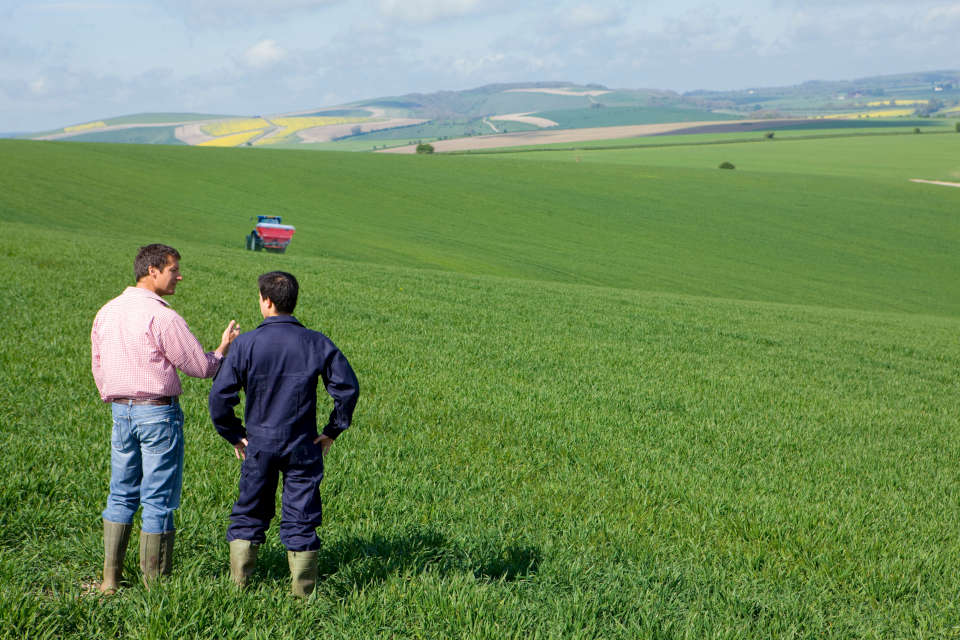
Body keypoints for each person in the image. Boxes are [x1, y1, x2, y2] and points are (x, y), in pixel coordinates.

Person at [91, 243, 240, 594]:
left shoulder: (107, 311)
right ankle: (155, 588)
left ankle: (109, 581)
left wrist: (117, 398)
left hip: (120, 411)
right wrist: (222, 349)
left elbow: (98, 365)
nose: (179, 275)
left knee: (121, 494)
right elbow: (199, 367)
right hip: (157, 413)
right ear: (153, 271)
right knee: (158, 498)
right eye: (174, 269)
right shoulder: (162, 316)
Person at [209, 271, 359, 597]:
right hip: (303, 443)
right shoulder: (317, 342)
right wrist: (332, 431)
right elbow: (347, 390)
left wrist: (233, 433)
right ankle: (303, 596)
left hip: (258, 443)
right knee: (302, 514)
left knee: (249, 511)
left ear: (266, 301)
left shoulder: (246, 343)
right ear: (293, 301)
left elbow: (220, 397)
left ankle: (239, 588)